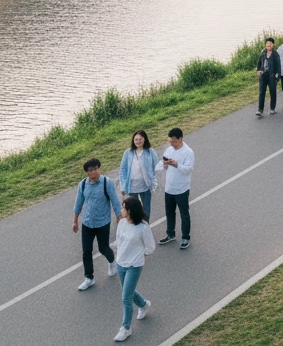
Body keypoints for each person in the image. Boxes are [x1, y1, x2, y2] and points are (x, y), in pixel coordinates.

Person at [72, 158, 121, 291]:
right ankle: (89, 278)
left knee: (103, 248)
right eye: (91, 170)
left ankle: (112, 261)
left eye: (96, 168)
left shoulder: (106, 183)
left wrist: (119, 217)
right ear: (87, 172)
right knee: (86, 251)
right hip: (87, 223)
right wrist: (75, 220)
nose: (94, 171)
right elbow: (78, 203)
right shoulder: (83, 185)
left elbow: (115, 201)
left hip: (102, 222)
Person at [112, 194, 155, 341]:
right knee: (128, 291)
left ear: (130, 210)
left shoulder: (143, 228)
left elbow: (150, 246)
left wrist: (142, 256)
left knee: (126, 297)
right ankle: (143, 304)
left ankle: (125, 328)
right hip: (121, 263)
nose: (121, 210)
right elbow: (118, 240)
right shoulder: (122, 223)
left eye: (124, 208)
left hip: (134, 265)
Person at [158, 127, 194, 249]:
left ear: (181, 139)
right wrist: (165, 164)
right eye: (170, 140)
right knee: (169, 212)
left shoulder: (188, 152)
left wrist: (176, 164)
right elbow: (162, 166)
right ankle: (170, 234)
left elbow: (188, 169)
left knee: (184, 214)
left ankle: (185, 237)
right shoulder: (169, 150)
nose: (172, 143)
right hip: (169, 188)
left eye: (174, 140)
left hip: (182, 189)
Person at [118, 130, 160, 216]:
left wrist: (154, 182)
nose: (138, 141)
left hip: (146, 186)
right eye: (136, 139)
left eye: (140, 139)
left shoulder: (150, 152)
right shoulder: (128, 153)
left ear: (145, 139)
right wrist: (123, 186)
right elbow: (123, 170)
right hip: (132, 187)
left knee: (146, 210)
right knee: (132, 211)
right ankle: (136, 228)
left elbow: (156, 168)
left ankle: (145, 227)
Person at [255, 37, 281, 117]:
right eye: (267, 44)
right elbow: (259, 63)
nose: (268, 45)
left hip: (272, 76)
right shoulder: (263, 52)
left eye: (270, 43)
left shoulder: (275, 54)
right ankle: (260, 110)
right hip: (263, 76)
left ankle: (272, 108)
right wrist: (258, 71)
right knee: (261, 92)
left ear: (273, 45)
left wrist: (277, 75)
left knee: (272, 92)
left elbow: (278, 66)